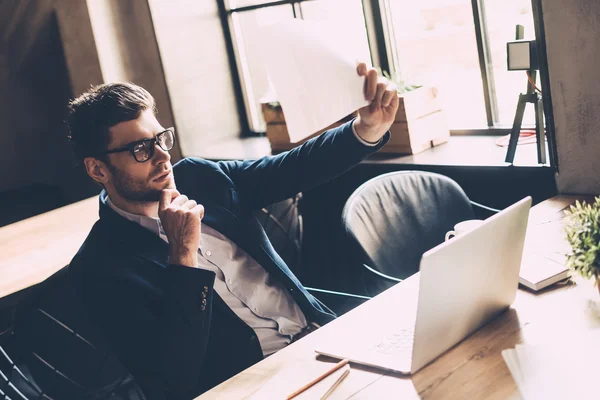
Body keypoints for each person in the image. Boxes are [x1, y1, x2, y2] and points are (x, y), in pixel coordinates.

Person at [67, 63, 398, 399]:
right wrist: (181, 257)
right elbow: (172, 381)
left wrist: (366, 129)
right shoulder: (99, 267)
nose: (163, 156)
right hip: (254, 386)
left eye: (161, 139)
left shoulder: (200, 177)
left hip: (325, 344)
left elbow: (295, 168)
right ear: (97, 169)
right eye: (141, 149)